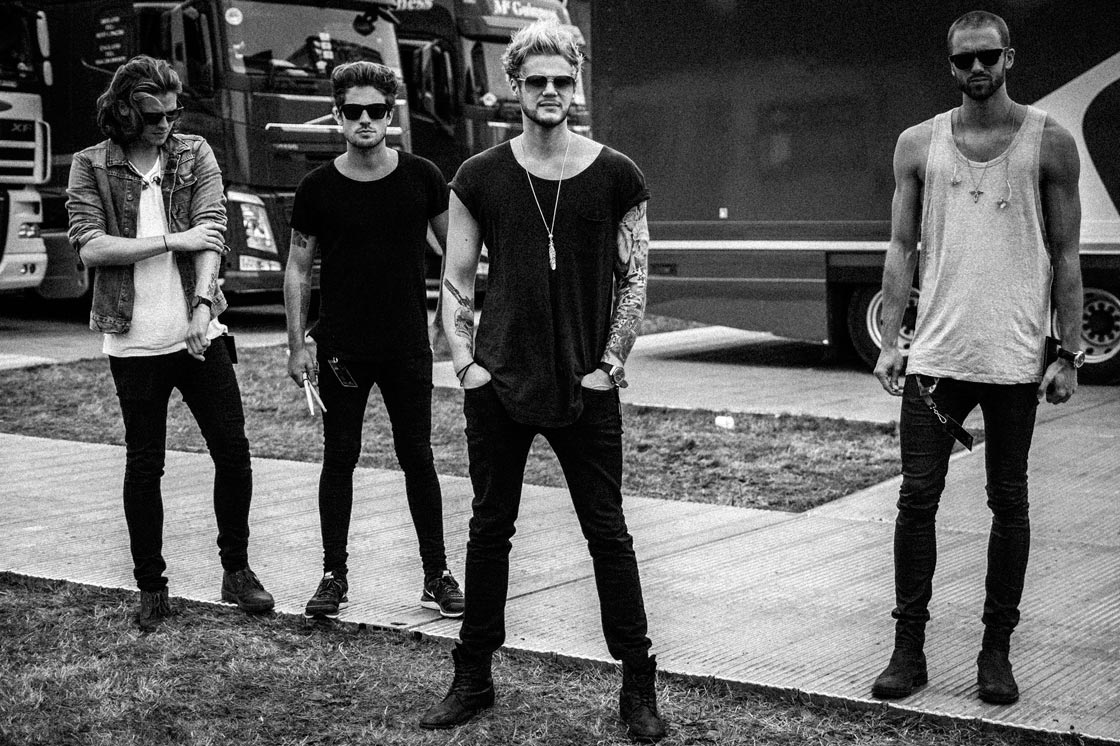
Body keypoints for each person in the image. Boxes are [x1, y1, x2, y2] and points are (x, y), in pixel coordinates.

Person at [418, 20, 665, 743]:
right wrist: (466, 366)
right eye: (536, 81)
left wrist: (610, 365)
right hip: (499, 383)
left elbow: (634, 278)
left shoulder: (617, 174)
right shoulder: (479, 175)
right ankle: (472, 676)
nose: (550, 91)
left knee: (609, 535)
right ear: (514, 87)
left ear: (576, 84)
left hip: (587, 385)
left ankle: (638, 683)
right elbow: (456, 277)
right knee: (489, 530)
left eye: (562, 80)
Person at [871, 11, 1082, 704]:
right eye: (964, 60)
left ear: (1009, 57)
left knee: (1009, 502)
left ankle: (997, 653)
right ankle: (908, 650)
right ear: (951, 65)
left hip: (1015, 358)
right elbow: (901, 248)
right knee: (916, 500)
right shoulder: (917, 143)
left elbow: (1066, 254)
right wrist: (891, 342)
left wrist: (1069, 353)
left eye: (988, 56)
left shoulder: (1050, 142)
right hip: (936, 356)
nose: (977, 69)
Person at [66, 55, 274, 630]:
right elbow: (91, 246)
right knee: (144, 463)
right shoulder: (90, 164)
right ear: (125, 111)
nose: (165, 124)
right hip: (134, 340)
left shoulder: (193, 153)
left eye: (172, 113)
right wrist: (170, 240)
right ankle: (151, 585)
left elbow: (213, 231)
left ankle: (237, 571)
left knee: (233, 451)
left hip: (199, 334)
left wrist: (203, 308)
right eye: (154, 115)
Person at [284, 61, 464, 621]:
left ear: (391, 115)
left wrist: (448, 323)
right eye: (354, 110)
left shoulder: (423, 176)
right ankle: (332, 576)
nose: (365, 120)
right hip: (341, 349)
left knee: (418, 457)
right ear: (337, 115)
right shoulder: (317, 187)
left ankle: (437, 575)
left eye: (377, 110)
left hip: (407, 345)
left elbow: (456, 254)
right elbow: (297, 267)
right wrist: (296, 345)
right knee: (339, 458)